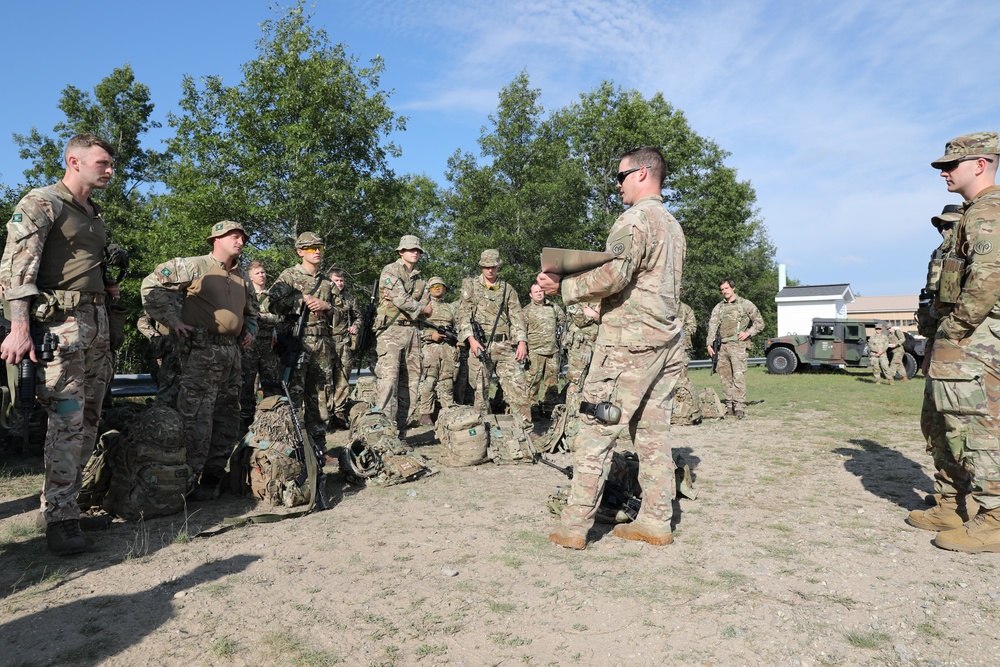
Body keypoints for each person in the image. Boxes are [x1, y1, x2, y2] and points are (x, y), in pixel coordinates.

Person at [538, 145, 685, 549]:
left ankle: (573, 527)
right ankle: (656, 521)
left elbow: (616, 275)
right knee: (653, 437)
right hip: (665, 343)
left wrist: (564, 286)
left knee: (595, 430)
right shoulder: (672, 225)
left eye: (620, 177)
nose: (617, 186)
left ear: (641, 174)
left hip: (628, 345)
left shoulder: (635, 219)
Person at [0, 133, 117, 555]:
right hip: (59, 328)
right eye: (102, 162)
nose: (109, 170)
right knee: (66, 420)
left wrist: (107, 289)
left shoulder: (93, 213)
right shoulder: (41, 202)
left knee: (88, 418)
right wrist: (19, 329)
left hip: (95, 324)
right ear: (74, 161)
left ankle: (61, 503)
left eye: (110, 163)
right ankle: (62, 519)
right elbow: (15, 269)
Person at [141, 220, 257, 501]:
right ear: (216, 239)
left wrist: (250, 331)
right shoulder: (195, 266)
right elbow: (150, 286)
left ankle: (213, 474)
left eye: (242, 237)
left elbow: (252, 312)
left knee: (227, 415)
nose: (240, 241)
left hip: (231, 353)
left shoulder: (242, 276)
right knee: (197, 417)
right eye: (234, 236)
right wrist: (173, 321)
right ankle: (187, 480)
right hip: (201, 352)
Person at [924, 132, 1000, 552]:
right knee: (949, 422)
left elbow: (988, 281)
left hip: (979, 338)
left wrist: (952, 331)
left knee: (979, 427)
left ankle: (994, 519)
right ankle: (952, 504)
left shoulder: (990, 211)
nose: (945, 173)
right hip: (969, 335)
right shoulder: (975, 211)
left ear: (980, 164)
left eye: (951, 165)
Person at [907, 205, 979, 532]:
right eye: (941, 226)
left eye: (949, 225)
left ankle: (957, 501)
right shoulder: (941, 253)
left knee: (953, 427)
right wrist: (929, 347)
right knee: (933, 422)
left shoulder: (971, 247)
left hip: (962, 350)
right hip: (940, 346)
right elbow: (934, 304)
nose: (944, 231)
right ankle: (952, 496)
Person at [268, 232, 338, 445]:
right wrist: (300, 300)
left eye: (319, 248)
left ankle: (318, 446)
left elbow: (344, 312)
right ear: (300, 252)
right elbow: (272, 303)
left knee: (320, 397)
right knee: (293, 396)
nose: (316, 251)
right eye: (310, 248)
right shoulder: (289, 276)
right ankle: (292, 446)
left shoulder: (327, 283)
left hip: (322, 344)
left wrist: (327, 307)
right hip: (297, 343)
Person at [455, 249, 531, 425]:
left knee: (518, 388)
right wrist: (471, 341)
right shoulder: (471, 286)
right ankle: (484, 431)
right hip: (480, 345)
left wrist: (522, 342)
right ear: (482, 267)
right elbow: (463, 316)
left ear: (498, 267)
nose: (490, 270)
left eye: (493, 267)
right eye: (486, 267)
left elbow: (516, 316)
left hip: (504, 345)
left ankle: (525, 429)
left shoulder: (507, 289)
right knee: (480, 392)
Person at [373, 235, 431, 435]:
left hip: (413, 332)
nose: (415, 252)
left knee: (411, 383)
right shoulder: (390, 270)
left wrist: (417, 306)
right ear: (400, 252)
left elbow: (428, 305)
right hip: (391, 331)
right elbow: (402, 300)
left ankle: (402, 431)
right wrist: (420, 307)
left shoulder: (421, 280)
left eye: (417, 250)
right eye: (410, 249)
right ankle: (384, 432)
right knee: (389, 381)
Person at [706, 278, 764, 418]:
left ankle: (739, 406)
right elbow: (712, 326)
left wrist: (748, 333)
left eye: (726, 288)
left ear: (733, 288)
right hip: (722, 347)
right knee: (725, 378)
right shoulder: (719, 307)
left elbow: (760, 323)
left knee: (738, 376)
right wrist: (708, 344)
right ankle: (729, 405)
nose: (724, 291)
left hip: (737, 346)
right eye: (722, 290)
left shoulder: (745, 304)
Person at [240, 260, 281, 434]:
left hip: (268, 347)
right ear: (250, 277)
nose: (262, 275)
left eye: (263, 272)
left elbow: (280, 317)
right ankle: (246, 424)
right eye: (258, 273)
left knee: (271, 384)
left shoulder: (272, 297)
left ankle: (271, 421)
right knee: (246, 385)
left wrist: (263, 317)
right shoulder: (245, 296)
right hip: (248, 346)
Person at [416, 276, 457, 424]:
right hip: (430, 349)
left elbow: (458, 327)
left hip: (448, 348)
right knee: (429, 381)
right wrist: (430, 335)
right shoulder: (423, 307)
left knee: (447, 381)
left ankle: (448, 410)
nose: (437, 288)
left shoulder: (451, 308)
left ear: (445, 289)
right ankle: (426, 414)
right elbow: (414, 331)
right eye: (433, 287)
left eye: (440, 286)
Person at [523, 283, 566, 416]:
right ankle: (533, 407)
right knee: (532, 382)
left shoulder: (553, 308)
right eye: (536, 292)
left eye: (541, 290)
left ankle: (549, 408)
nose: (539, 293)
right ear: (531, 295)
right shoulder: (526, 311)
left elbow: (563, 323)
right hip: (534, 351)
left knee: (552, 382)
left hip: (552, 351)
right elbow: (520, 331)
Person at [562, 300, 600, 450]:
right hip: (580, 348)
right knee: (576, 385)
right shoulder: (574, 298)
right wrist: (596, 314)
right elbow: (581, 320)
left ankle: (592, 419)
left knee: (596, 385)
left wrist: (593, 313)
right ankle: (572, 423)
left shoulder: (600, 295)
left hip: (598, 344)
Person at [327, 267, 360, 430]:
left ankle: (339, 413)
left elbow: (358, 317)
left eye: (341, 280)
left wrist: (355, 326)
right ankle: (324, 413)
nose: (339, 283)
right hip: (325, 342)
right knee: (324, 379)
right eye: (336, 280)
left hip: (343, 342)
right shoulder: (324, 296)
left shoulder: (349, 298)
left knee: (343, 378)